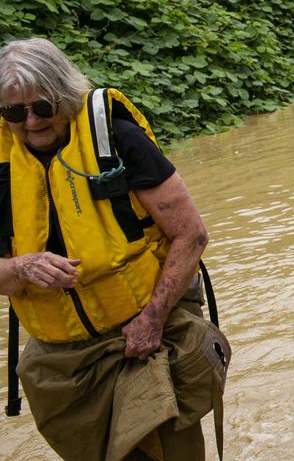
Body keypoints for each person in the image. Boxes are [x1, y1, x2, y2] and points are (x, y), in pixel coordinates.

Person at [0, 38, 228, 461]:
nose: (30, 122)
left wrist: (153, 320)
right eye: (15, 112)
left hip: (144, 336)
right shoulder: (2, 166)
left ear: (65, 96)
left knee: (171, 451)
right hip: (63, 362)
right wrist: (23, 267)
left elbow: (190, 235)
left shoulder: (117, 139)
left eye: (43, 108)